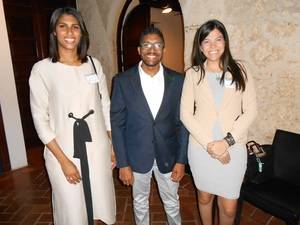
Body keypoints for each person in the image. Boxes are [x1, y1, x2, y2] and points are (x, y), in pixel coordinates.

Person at [29, 7, 116, 225]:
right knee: (71, 209)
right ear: (54, 32)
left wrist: (112, 145)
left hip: (97, 147)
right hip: (63, 149)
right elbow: (40, 119)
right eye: (63, 26)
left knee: (100, 204)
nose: (70, 32)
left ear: (82, 33)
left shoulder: (94, 64)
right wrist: (64, 161)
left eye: (75, 27)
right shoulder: (42, 70)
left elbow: (105, 106)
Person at [180, 19, 257, 225]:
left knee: (229, 208)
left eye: (218, 39)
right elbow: (185, 114)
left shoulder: (241, 69)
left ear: (226, 41)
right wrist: (211, 145)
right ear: (200, 46)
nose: (213, 46)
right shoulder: (193, 74)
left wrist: (226, 142)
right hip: (200, 147)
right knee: (204, 197)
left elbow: (251, 110)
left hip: (234, 148)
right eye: (206, 41)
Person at [110, 26, 188, 225]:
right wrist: (123, 163)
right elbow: (117, 125)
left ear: (163, 49)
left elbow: (183, 124)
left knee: (172, 202)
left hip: (168, 155)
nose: (152, 49)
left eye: (157, 45)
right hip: (136, 157)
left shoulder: (178, 81)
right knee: (140, 202)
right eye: (146, 44)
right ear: (139, 50)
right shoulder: (122, 81)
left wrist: (181, 160)